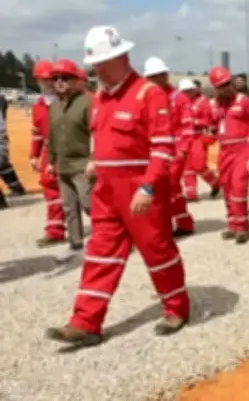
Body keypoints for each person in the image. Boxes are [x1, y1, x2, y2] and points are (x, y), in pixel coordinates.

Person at [46, 25, 190, 347]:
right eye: (95, 65)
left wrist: (149, 187)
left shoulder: (148, 94)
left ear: (122, 57)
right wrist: (97, 160)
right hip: (107, 191)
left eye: (103, 63)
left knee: (157, 251)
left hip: (140, 190)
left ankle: (177, 308)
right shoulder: (100, 98)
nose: (97, 70)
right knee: (100, 253)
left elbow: (163, 148)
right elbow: (104, 138)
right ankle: (85, 322)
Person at [47, 59, 94, 262]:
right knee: (69, 207)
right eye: (55, 78)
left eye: (64, 78)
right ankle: (75, 245)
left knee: (90, 204)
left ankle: (111, 241)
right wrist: (51, 161)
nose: (59, 81)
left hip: (83, 165)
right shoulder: (54, 107)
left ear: (76, 81)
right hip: (63, 166)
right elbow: (53, 136)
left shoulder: (87, 103)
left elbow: (96, 133)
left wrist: (95, 159)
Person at [208, 66, 249, 243]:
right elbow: (212, 127)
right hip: (224, 152)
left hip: (242, 150)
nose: (225, 88)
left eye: (226, 84)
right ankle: (233, 224)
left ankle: (243, 227)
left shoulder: (243, 101)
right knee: (227, 187)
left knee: (238, 187)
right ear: (215, 87)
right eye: (220, 85)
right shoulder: (214, 104)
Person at [144, 57, 195, 237]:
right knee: (169, 189)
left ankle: (165, 226)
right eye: (152, 77)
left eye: (159, 75)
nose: (156, 79)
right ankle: (183, 222)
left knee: (167, 187)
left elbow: (188, 127)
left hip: (174, 151)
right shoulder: (149, 97)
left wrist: (182, 150)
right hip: (156, 151)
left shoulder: (178, 98)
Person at [30, 60, 66, 247]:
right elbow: (36, 132)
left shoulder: (69, 100)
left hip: (71, 151)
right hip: (48, 151)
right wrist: (34, 155)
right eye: (42, 80)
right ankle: (55, 230)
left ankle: (114, 229)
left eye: (50, 79)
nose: (47, 84)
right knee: (51, 190)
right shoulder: (38, 106)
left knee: (87, 192)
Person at [183, 79, 220, 201]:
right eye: (184, 91)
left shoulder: (203, 102)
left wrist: (193, 121)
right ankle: (191, 193)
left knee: (199, 165)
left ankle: (215, 182)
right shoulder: (182, 101)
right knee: (187, 166)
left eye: (189, 90)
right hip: (184, 136)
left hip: (198, 136)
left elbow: (208, 121)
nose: (187, 93)